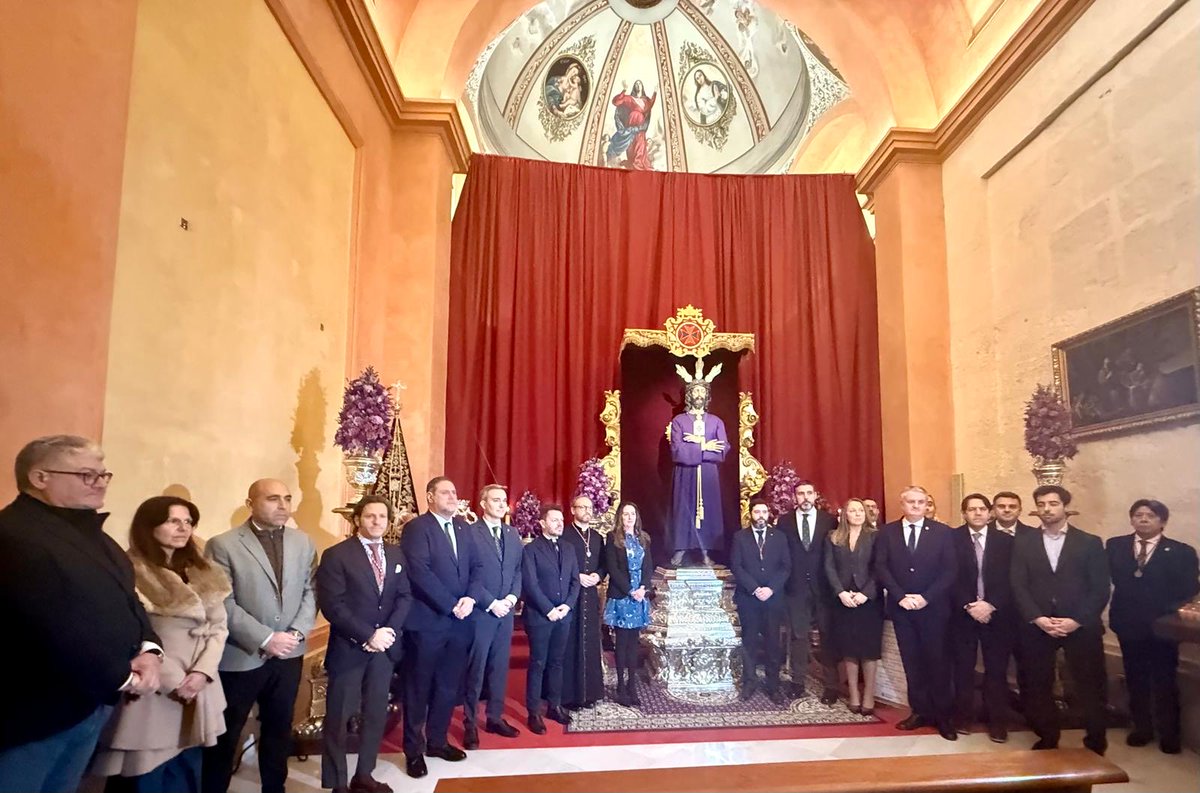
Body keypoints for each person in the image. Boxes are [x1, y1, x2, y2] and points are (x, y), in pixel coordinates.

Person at [0, 436, 163, 793]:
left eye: (104, 475)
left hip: (91, 703)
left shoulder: (95, 535)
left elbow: (128, 600)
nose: (101, 484)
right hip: (34, 714)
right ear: (40, 478)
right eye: (88, 475)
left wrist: (150, 650)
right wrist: (124, 677)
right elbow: (48, 627)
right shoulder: (13, 536)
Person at [92, 496, 230, 793]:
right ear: (150, 525)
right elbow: (129, 632)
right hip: (156, 686)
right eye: (173, 521)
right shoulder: (130, 571)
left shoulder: (205, 570)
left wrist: (203, 673)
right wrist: (174, 680)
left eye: (188, 522)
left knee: (187, 769)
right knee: (146, 773)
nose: (183, 528)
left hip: (200, 683)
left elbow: (219, 627)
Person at [202, 479, 317, 793]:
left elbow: (310, 591)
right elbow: (222, 600)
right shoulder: (222, 544)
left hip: (289, 654)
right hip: (242, 655)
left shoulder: (303, 542)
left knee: (279, 729)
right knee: (226, 734)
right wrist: (266, 638)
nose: (282, 505)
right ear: (250, 502)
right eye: (273, 499)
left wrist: (295, 632)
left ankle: (274, 788)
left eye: (287, 498)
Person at [316, 495, 412, 793]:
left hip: (384, 650)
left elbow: (404, 597)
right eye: (370, 516)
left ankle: (364, 775)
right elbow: (333, 605)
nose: (377, 522)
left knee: (375, 713)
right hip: (349, 648)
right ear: (358, 519)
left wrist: (388, 633)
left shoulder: (396, 555)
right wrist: (368, 635)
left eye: (382, 517)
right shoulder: (337, 554)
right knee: (338, 717)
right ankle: (337, 783)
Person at [1010, 485, 1110, 755]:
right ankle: (1048, 735)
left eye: (1053, 503)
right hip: (1039, 625)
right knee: (1038, 684)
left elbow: (1100, 587)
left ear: (1065, 506)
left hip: (1079, 625)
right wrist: (1037, 617)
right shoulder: (1024, 542)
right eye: (1041, 504)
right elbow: (1018, 584)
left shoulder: (1089, 542)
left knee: (1089, 683)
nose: (1047, 509)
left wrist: (1076, 620)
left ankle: (1096, 738)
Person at [398, 477, 481, 779]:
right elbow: (419, 572)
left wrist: (470, 598)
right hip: (428, 622)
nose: (452, 497)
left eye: (455, 492)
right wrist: (451, 604)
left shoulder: (464, 528)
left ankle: (437, 741)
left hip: (460, 623)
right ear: (430, 496)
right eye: (445, 492)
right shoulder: (417, 529)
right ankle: (413, 750)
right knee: (418, 688)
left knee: (448, 686)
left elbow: (477, 567)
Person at [1106, 499, 1199, 755]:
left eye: (1150, 515)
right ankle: (1142, 728)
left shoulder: (1181, 551)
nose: (1143, 519)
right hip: (1128, 622)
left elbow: (1189, 589)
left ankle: (1170, 733)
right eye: (1138, 515)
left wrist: (1163, 611)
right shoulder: (1116, 545)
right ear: (1132, 519)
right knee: (1135, 678)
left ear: (1163, 522)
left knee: (1165, 679)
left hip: (1162, 626)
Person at [874, 485, 958, 741]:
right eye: (911, 502)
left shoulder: (943, 533)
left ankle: (943, 717)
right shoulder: (887, 532)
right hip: (902, 610)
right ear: (903, 504)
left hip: (933, 609)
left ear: (927, 505)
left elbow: (950, 570)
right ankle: (919, 711)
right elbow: (882, 566)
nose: (916, 506)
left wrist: (925, 597)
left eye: (921, 502)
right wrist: (901, 597)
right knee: (912, 663)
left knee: (938, 663)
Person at [949, 494, 1015, 743]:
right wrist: (969, 604)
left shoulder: (1006, 542)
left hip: (996, 615)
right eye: (971, 509)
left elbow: (1013, 578)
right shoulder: (951, 539)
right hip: (962, 614)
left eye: (982, 509)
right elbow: (948, 575)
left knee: (996, 671)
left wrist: (991, 604)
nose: (977, 513)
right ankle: (963, 717)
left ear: (990, 513)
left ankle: (997, 721)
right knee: (963, 669)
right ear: (964, 513)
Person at [462, 485, 523, 747]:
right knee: (476, 668)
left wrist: (511, 599)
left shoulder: (512, 533)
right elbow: (466, 574)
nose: (501, 505)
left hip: (506, 613)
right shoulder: (470, 533)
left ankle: (494, 717)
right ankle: (469, 722)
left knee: (499, 667)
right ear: (483, 503)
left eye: (503, 501)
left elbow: (517, 571)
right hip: (481, 613)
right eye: (495, 500)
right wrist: (490, 603)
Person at [777, 480, 838, 702]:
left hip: (824, 587)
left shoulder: (829, 520)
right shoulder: (784, 522)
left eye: (809, 493)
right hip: (796, 588)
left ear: (815, 495)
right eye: (800, 493)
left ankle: (831, 685)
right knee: (798, 636)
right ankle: (797, 682)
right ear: (795, 497)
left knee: (827, 636)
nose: (805, 497)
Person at [522, 504, 580, 734]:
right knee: (538, 663)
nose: (559, 523)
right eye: (554, 520)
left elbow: (575, 581)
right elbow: (531, 584)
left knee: (557, 662)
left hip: (564, 616)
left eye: (560, 519)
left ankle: (554, 705)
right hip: (540, 617)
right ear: (543, 523)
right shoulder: (531, 549)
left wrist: (566, 606)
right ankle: (533, 712)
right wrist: (549, 609)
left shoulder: (568, 548)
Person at [823, 498, 883, 715]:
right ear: (844, 515)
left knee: (868, 650)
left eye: (860, 510)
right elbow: (828, 567)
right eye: (852, 510)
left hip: (869, 601)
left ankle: (869, 696)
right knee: (848, 649)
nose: (857, 514)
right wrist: (840, 592)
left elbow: (879, 568)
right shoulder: (833, 537)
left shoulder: (876, 536)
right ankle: (854, 696)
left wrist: (865, 594)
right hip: (843, 600)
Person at [730, 498, 791, 703]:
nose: (761, 516)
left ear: (769, 514)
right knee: (749, 641)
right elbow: (737, 566)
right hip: (749, 598)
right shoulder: (740, 537)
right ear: (751, 514)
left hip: (773, 598)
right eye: (757, 512)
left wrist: (770, 589)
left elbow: (785, 567)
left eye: (764, 512)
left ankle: (773, 685)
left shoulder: (779, 537)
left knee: (773, 642)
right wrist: (755, 589)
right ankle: (749, 682)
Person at [669, 366, 729, 566]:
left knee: (708, 510)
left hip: (708, 474)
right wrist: (704, 446)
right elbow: (677, 450)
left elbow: (722, 450)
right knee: (684, 509)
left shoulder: (716, 422)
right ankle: (681, 549)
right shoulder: (679, 421)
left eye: (702, 391)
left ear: (707, 395)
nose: (699, 394)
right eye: (695, 390)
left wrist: (694, 444)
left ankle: (706, 552)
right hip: (685, 473)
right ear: (689, 394)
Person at [604, 502, 654, 706]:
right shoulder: (612, 538)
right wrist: (630, 590)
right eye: (625, 514)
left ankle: (632, 685)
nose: (629, 517)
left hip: (639, 597)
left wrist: (643, 588)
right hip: (622, 596)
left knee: (634, 644)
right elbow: (612, 569)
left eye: (632, 514)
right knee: (622, 644)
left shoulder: (644, 539)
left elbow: (648, 566)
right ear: (620, 517)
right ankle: (621, 687)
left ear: (637, 517)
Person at [561, 494, 606, 709]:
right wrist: (577, 576)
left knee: (589, 641)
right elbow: (559, 563)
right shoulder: (566, 534)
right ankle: (570, 696)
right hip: (571, 593)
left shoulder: (597, 537)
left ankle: (590, 694)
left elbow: (603, 564)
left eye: (590, 507)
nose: (587, 511)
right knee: (572, 642)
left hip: (590, 595)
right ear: (573, 510)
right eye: (582, 507)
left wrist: (598, 576)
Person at [606, 80, 657, 170]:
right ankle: (632, 160)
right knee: (631, 142)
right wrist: (624, 90)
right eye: (636, 84)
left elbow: (651, 104)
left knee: (640, 142)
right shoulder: (629, 98)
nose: (638, 85)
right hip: (631, 121)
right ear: (634, 86)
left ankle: (638, 163)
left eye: (639, 83)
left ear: (642, 86)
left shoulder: (646, 100)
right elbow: (615, 102)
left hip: (640, 123)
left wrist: (655, 92)